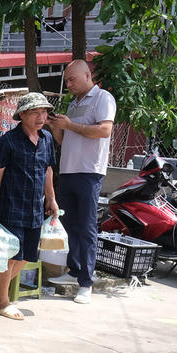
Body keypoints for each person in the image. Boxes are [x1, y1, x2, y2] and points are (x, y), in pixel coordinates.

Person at [0, 92, 59, 321]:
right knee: (10, 256)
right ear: (23, 114)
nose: (41, 117)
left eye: (44, 112)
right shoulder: (7, 142)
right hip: (11, 205)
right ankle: (2, 301)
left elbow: (48, 171)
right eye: (36, 112)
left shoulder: (46, 139)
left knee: (27, 254)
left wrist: (51, 199)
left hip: (35, 208)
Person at [50, 59, 116, 304]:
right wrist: (57, 126)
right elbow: (63, 140)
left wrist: (70, 125)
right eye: (66, 80)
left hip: (89, 172)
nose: (68, 84)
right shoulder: (73, 103)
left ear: (88, 75)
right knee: (69, 225)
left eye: (72, 79)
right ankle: (74, 271)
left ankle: (86, 283)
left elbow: (104, 131)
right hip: (67, 170)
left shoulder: (103, 98)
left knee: (87, 228)